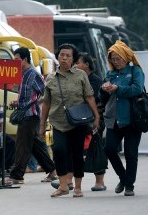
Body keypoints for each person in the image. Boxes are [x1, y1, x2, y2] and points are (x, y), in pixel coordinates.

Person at [40, 44, 100, 197]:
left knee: (77, 153)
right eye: (61, 55)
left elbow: (89, 96)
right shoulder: (51, 77)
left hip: (77, 122)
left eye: (68, 56)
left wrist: (96, 116)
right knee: (59, 151)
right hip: (58, 122)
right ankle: (63, 185)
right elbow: (46, 102)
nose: (64, 58)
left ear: (73, 59)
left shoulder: (81, 75)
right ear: (58, 57)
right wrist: (42, 125)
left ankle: (78, 187)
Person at [50, 52, 107, 192]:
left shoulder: (94, 80)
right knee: (71, 150)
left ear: (86, 65)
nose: (75, 65)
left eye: (78, 63)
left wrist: (96, 118)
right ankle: (68, 181)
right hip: (75, 119)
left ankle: (99, 181)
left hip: (92, 118)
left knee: (95, 149)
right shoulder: (66, 77)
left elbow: (93, 99)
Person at [6, 47, 57, 185]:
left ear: (25, 59)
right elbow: (28, 96)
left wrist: (33, 102)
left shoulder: (33, 74)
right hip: (26, 114)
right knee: (35, 145)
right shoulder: (23, 74)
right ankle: (52, 171)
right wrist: (18, 103)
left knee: (22, 145)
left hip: (31, 114)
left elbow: (46, 92)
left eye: (17, 59)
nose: (15, 62)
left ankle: (17, 175)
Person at [100, 40, 144, 197]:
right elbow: (103, 96)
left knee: (131, 153)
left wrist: (118, 88)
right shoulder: (110, 74)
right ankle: (123, 177)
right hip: (114, 118)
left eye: (118, 58)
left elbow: (137, 89)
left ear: (125, 57)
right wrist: (104, 89)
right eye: (112, 58)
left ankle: (129, 185)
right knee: (109, 149)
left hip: (132, 118)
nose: (115, 61)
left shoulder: (135, 71)